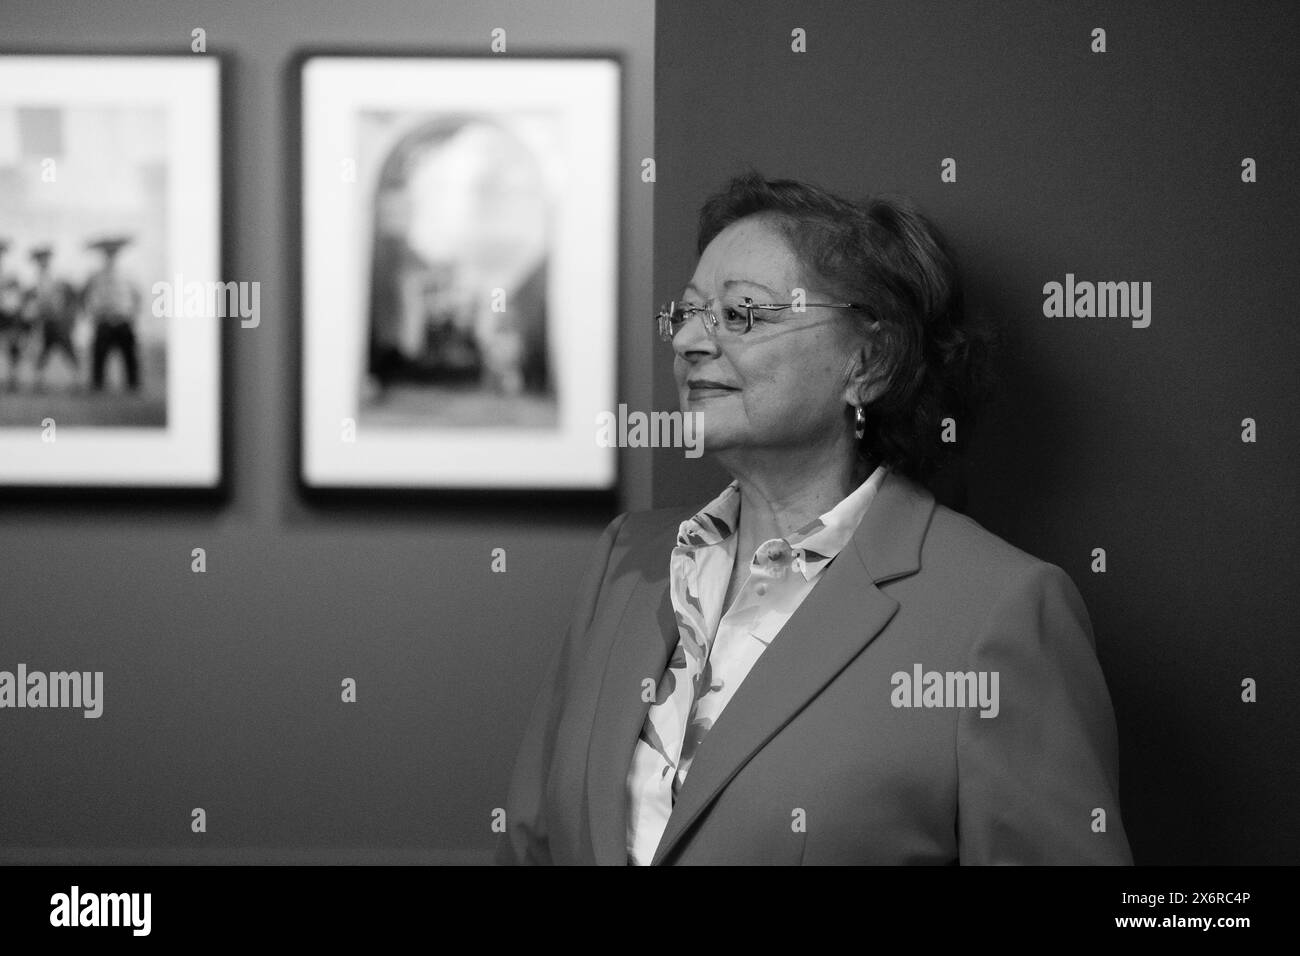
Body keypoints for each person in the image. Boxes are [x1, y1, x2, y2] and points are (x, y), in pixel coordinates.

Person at [498, 171, 1133, 866]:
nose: (686, 341)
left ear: (870, 360)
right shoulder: (627, 560)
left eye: (741, 314)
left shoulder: (999, 611)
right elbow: (532, 845)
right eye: (684, 313)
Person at [83, 235, 143, 392]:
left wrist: (132, 314)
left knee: (129, 355)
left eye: (113, 253)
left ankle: (133, 384)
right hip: (103, 320)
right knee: (99, 355)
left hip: (123, 319)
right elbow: (87, 295)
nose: (110, 256)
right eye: (107, 253)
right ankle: (98, 384)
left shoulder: (128, 274)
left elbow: (137, 296)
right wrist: (93, 315)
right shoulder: (95, 276)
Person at [25, 245, 81, 389]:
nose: (43, 262)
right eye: (40, 260)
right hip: (43, 322)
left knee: (68, 349)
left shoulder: (59, 279)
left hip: (59, 322)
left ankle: (77, 379)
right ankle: (39, 380)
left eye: (45, 259)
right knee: (41, 352)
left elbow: (71, 298)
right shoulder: (35, 281)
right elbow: (31, 303)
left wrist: (69, 317)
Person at [0, 239, 27, 388]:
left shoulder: (10, 273)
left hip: (7, 316)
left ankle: (13, 378)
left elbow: (16, 297)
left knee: (12, 348)